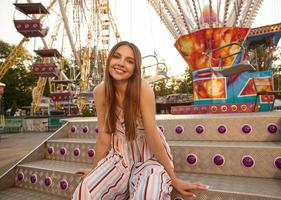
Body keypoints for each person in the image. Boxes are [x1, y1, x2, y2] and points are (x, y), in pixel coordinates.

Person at [72, 41, 209, 200]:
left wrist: (174, 179)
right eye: (117, 57)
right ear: (109, 60)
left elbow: (152, 134)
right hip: (119, 157)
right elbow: (104, 135)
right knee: (84, 192)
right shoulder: (100, 91)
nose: (121, 63)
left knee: (147, 195)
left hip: (149, 158)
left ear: (135, 68)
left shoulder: (142, 88)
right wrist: (95, 170)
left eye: (129, 61)